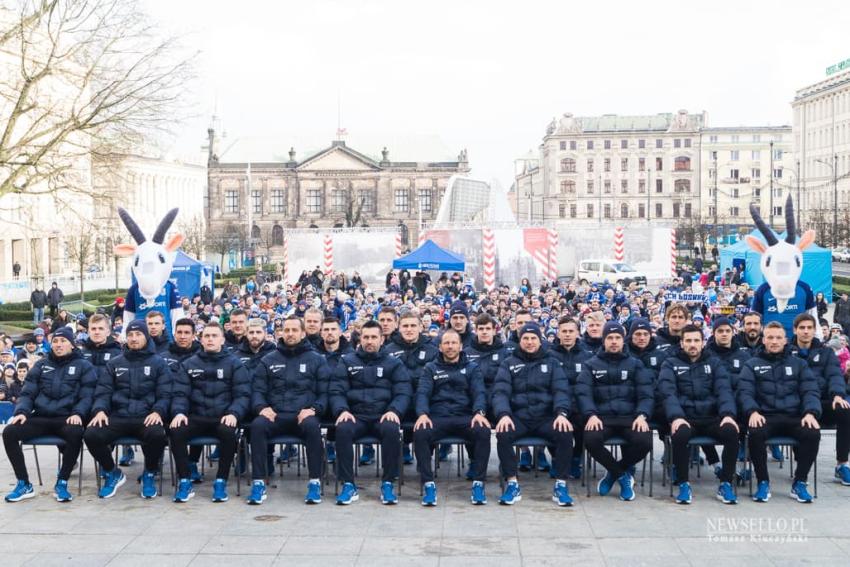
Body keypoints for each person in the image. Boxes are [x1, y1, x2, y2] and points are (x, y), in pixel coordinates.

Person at [2, 327, 96, 502]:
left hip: (67, 417)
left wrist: (79, 413)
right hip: (41, 416)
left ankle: (62, 482)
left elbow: (87, 395)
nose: (59, 345)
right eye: (55, 341)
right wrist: (22, 411)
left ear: (72, 344)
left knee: (75, 432)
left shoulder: (84, 366)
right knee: (9, 432)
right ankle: (24, 483)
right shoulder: (41, 364)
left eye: (63, 341)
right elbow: (28, 393)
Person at [84, 319, 172, 499]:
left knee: (157, 435)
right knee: (91, 434)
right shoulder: (115, 363)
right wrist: (100, 410)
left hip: (146, 416)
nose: (133, 338)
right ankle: (112, 472)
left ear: (146, 337)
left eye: (138, 334)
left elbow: (165, 393)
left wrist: (158, 411)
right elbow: (104, 391)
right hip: (119, 415)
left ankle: (149, 473)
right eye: (130, 335)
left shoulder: (159, 363)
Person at [247, 316, 329, 505]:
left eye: (294, 330)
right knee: (257, 426)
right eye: (287, 330)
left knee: (312, 427)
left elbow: (325, 392)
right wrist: (262, 407)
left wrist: (314, 409)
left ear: (303, 333)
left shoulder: (317, 359)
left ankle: (315, 482)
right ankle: (259, 482)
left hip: (304, 415)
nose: (290, 334)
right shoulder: (268, 360)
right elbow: (257, 390)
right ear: (280, 333)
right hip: (275, 415)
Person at [737, 321, 822, 503]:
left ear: (785, 340)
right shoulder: (751, 364)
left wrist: (810, 412)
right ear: (763, 340)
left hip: (794, 416)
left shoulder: (799, 364)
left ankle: (800, 482)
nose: (774, 341)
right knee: (755, 432)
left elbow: (810, 390)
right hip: (765, 416)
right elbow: (744, 392)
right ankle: (763, 482)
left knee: (813, 432)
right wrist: (752, 411)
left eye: (778, 337)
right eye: (770, 337)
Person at [492, 322, 575, 506]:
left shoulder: (552, 362)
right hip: (519, 417)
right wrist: (503, 414)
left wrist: (561, 413)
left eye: (533, 338)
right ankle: (512, 483)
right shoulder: (508, 363)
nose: (529, 342)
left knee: (565, 433)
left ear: (540, 340)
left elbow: (561, 390)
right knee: (503, 432)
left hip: (545, 418)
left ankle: (561, 485)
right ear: (520, 340)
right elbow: (501, 392)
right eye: (525, 338)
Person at [330, 320, 412, 505]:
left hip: (383, 415)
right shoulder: (347, 361)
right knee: (341, 429)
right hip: (355, 415)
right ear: (360, 339)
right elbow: (336, 390)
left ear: (382, 339)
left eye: (374, 337)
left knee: (392, 429)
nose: (369, 341)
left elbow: (403, 391)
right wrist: (342, 410)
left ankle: (388, 483)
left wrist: (394, 410)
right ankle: (348, 485)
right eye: (366, 337)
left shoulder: (393, 363)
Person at [658, 324, 740, 504]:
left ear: (703, 343)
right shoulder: (670, 364)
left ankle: (725, 482)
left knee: (732, 432)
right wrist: (677, 417)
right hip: (686, 418)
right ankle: (684, 483)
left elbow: (724, 390)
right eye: (688, 341)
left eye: (696, 340)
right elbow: (668, 393)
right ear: (682, 343)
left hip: (712, 418)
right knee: (680, 435)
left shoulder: (714, 363)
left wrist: (727, 414)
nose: (692, 344)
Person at [169, 322, 251, 503]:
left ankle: (220, 481)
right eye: (207, 336)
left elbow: (243, 394)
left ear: (222, 339)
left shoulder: (234, 364)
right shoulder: (189, 364)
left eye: (214, 336)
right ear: (201, 339)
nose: (210, 339)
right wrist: (179, 412)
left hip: (223, 416)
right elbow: (180, 393)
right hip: (196, 416)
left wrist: (234, 413)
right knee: (176, 430)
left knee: (228, 432)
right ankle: (184, 480)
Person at [577, 321, 654, 501]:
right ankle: (622, 475)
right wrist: (591, 414)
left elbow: (646, 394)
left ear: (623, 340)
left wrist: (642, 415)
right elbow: (583, 393)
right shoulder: (590, 364)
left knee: (645, 441)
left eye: (617, 337)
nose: (613, 341)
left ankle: (613, 473)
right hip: (602, 418)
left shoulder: (635, 364)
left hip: (630, 418)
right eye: (609, 337)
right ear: (603, 340)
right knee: (590, 438)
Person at [414, 329, 490, 505]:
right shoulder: (430, 368)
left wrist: (479, 412)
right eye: (446, 343)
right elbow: (423, 393)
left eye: (453, 343)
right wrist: (423, 414)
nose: (450, 346)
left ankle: (478, 484)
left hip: (465, 417)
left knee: (483, 431)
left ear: (461, 346)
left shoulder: (472, 368)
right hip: (438, 416)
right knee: (420, 432)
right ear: (440, 347)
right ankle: (428, 484)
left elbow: (479, 392)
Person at [788, 313, 850, 486]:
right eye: (802, 328)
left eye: (809, 328)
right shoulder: (787, 353)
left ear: (814, 330)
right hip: (797, 405)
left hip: (823, 401)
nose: (806, 331)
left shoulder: (826, 353)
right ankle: (802, 465)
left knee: (845, 411)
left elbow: (835, 375)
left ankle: (842, 464)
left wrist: (838, 394)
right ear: (795, 330)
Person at [382, 311, 438, 464]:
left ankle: (425, 459)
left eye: (413, 325)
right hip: (398, 399)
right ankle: (403, 446)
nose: (409, 329)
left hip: (425, 399)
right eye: (405, 326)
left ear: (420, 327)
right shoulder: (389, 350)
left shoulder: (432, 349)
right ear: (399, 328)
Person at [549, 316, 592, 479]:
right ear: (558, 334)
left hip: (579, 404)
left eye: (571, 331)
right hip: (555, 404)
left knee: (584, 423)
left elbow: (588, 386)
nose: (567, 334)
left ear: (577, 333)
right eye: (564, 331)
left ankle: (575, 458)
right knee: (552, 423)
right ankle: (556, 458)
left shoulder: (587, 356)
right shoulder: (549, 355)